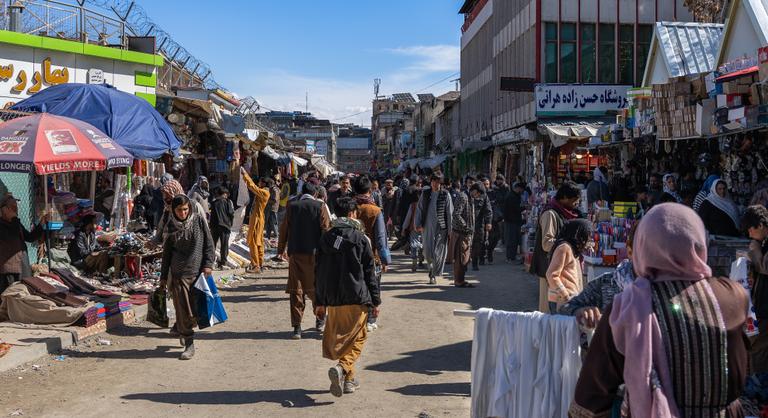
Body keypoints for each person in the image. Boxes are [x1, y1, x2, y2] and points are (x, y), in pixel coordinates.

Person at [570, 203, 748, 418]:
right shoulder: (734, 296)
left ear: (644, 247)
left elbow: (591, 398)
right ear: (700, 245)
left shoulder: (627, 307)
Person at [315, 197, 380, 397]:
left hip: (333, 298)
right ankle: (343, 368)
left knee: (344, 339)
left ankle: (349, 381)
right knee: (358, 337)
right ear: (352, 214)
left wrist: (319, 301)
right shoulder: (361, 239)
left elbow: (318, 271)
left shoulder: (326, 238)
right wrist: (376, 300)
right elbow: (370, 272)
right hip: (357, 296)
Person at [159, 194, 215, 360]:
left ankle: (184, 330)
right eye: (179, 210)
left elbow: (209, 244)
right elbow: (167, 254)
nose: (183, 213)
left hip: (197, 273)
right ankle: (189, 342)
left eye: (185, 209)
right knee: (183, 311)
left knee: (196, 310)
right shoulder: (170, 226)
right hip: (178, 274)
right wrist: (163, 277)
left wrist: (208, 265)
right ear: (173, 211)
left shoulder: (198, 221)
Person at [279, 182, 331, 339]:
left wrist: (280, 250)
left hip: (295, 254)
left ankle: (297, 328)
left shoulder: (292, 206)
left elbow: (284, 230)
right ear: (315, 194)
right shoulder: (320, 206)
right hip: (315, 255)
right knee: (317, 288)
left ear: (302, 193)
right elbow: (326, 229)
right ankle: (320, 320)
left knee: (297, 290)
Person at [559, 224, 636, 328]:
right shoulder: (607, 283)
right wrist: (580, 312)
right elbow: (564, 310)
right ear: (630, 250)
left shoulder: (664, 288)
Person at [530, 181, 581, 313]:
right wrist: (568, 244)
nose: (576, 204)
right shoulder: (550, 214)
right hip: (549, 267)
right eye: (574, 200)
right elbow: (546, 243)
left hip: (560, 269)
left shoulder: (562, 213)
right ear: (564, 197)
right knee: (548, 313)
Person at [352, 176, 391, 332]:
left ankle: (356, 317)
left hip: (352, 255)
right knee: (373, 285)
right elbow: (381, 238)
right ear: (370, 191)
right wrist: (385, 259)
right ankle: (370, 318)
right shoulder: (375, 211)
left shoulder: (350, 207)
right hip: (371, 256)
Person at [0, 194, 46, 294]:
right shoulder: (4, 224)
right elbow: (13, 234)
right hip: (9, 268)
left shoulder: (16, 223)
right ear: (4, 210)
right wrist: (14, 218)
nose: (16, 210)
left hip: (22, 263)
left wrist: (41, 224)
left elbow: (30, 237)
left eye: (16, 207)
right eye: (12, 207)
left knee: (24, 291)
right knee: (11, 294)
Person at [545, 219, 592, 313]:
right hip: (561, 301)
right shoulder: (564, 248)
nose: (589, 238)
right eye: (587, 235)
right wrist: (566, 296)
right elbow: (551, 274)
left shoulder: (572, 249)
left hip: (568, 299)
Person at [415, 174, 453, 284]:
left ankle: (433, 274)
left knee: (439, 252)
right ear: (431, 182)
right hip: (427, 226)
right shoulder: (425, 194)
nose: (435, 184)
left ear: (441, 184)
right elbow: (419, 209)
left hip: (442, 227)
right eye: (434, 181)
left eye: (438, 182)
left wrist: (450, 231)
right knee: (427, 250)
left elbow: (450, 213)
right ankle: (431, 266)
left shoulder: (446, 195)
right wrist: (417, 223)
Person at [745, 205, 768, 372]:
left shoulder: (759, 244)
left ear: (761, 225)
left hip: (766, 309)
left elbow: (765, 266)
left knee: (757, 347)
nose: (749, 234)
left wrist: (754, 249)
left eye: (751, 229)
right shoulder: (762, 242)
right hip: (762, 306)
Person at [450, 183, 482, 288]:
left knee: (465, 258)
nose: (478, 196)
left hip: (466, 233)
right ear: (474, 190)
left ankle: (461, 280)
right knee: (460, 258)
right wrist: (466, 227)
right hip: (460, 233)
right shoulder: (463, 196)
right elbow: (456, 214)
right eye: (478, 194)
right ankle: (458, 281)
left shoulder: (470, 198)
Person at [241, 168, 271, 273]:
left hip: (258, 219)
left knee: (254, 241)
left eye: (260, 182)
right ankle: (259, 263)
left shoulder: (264, 192)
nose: (258, 183)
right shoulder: (264, 192)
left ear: (263, 183)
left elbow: (252, 187)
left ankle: (256, 265)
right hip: (257, 218)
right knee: (258, 241)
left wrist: (245, 175)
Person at [153, 179, 185, 244]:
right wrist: (154, 242)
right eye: (164, 195)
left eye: (168, 194)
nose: (165, 197)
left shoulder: (189, 207)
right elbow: (160, 229)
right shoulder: (167, 210)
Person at [210, 187, 234, 270]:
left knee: (213, 244)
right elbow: (231, 213)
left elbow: (211, 215)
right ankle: (223, 262)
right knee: (224, 245)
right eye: (226, 194)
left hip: (214, 226)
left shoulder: (214, 203)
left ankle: (211, 262)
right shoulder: (227, 202)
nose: (227, 196)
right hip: (225, 226)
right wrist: (230, 224)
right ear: (224, 194)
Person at [470, 184, 493, 271]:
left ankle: (475, 262)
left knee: (479, 243)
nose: (478, 195)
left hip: (479, 224)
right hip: (467, 224)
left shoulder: (484, 196)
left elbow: (488, 210)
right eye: (477, 193)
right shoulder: (465, 195)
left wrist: (488, 222)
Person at [483, 177, 505, 264]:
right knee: (483, 239)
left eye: (487, 184)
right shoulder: (478, 194)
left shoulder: (493, 192)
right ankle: (482, 256)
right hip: (482, 220)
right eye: (484, 184)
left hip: (494, 219)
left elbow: (501, 200)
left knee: (496, 237)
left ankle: (489, 251)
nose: (486, 186)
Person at [503, 183, 525, 263]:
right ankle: (510, 257)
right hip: (511, 221)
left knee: (514, 239)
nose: (522, 191)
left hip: (513, 220)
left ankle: (512, 256)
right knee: (511, 239)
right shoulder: (511, 196)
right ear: (517, 188)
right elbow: (516, 209)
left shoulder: (514, 195)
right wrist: (525, 207)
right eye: (521, 189)